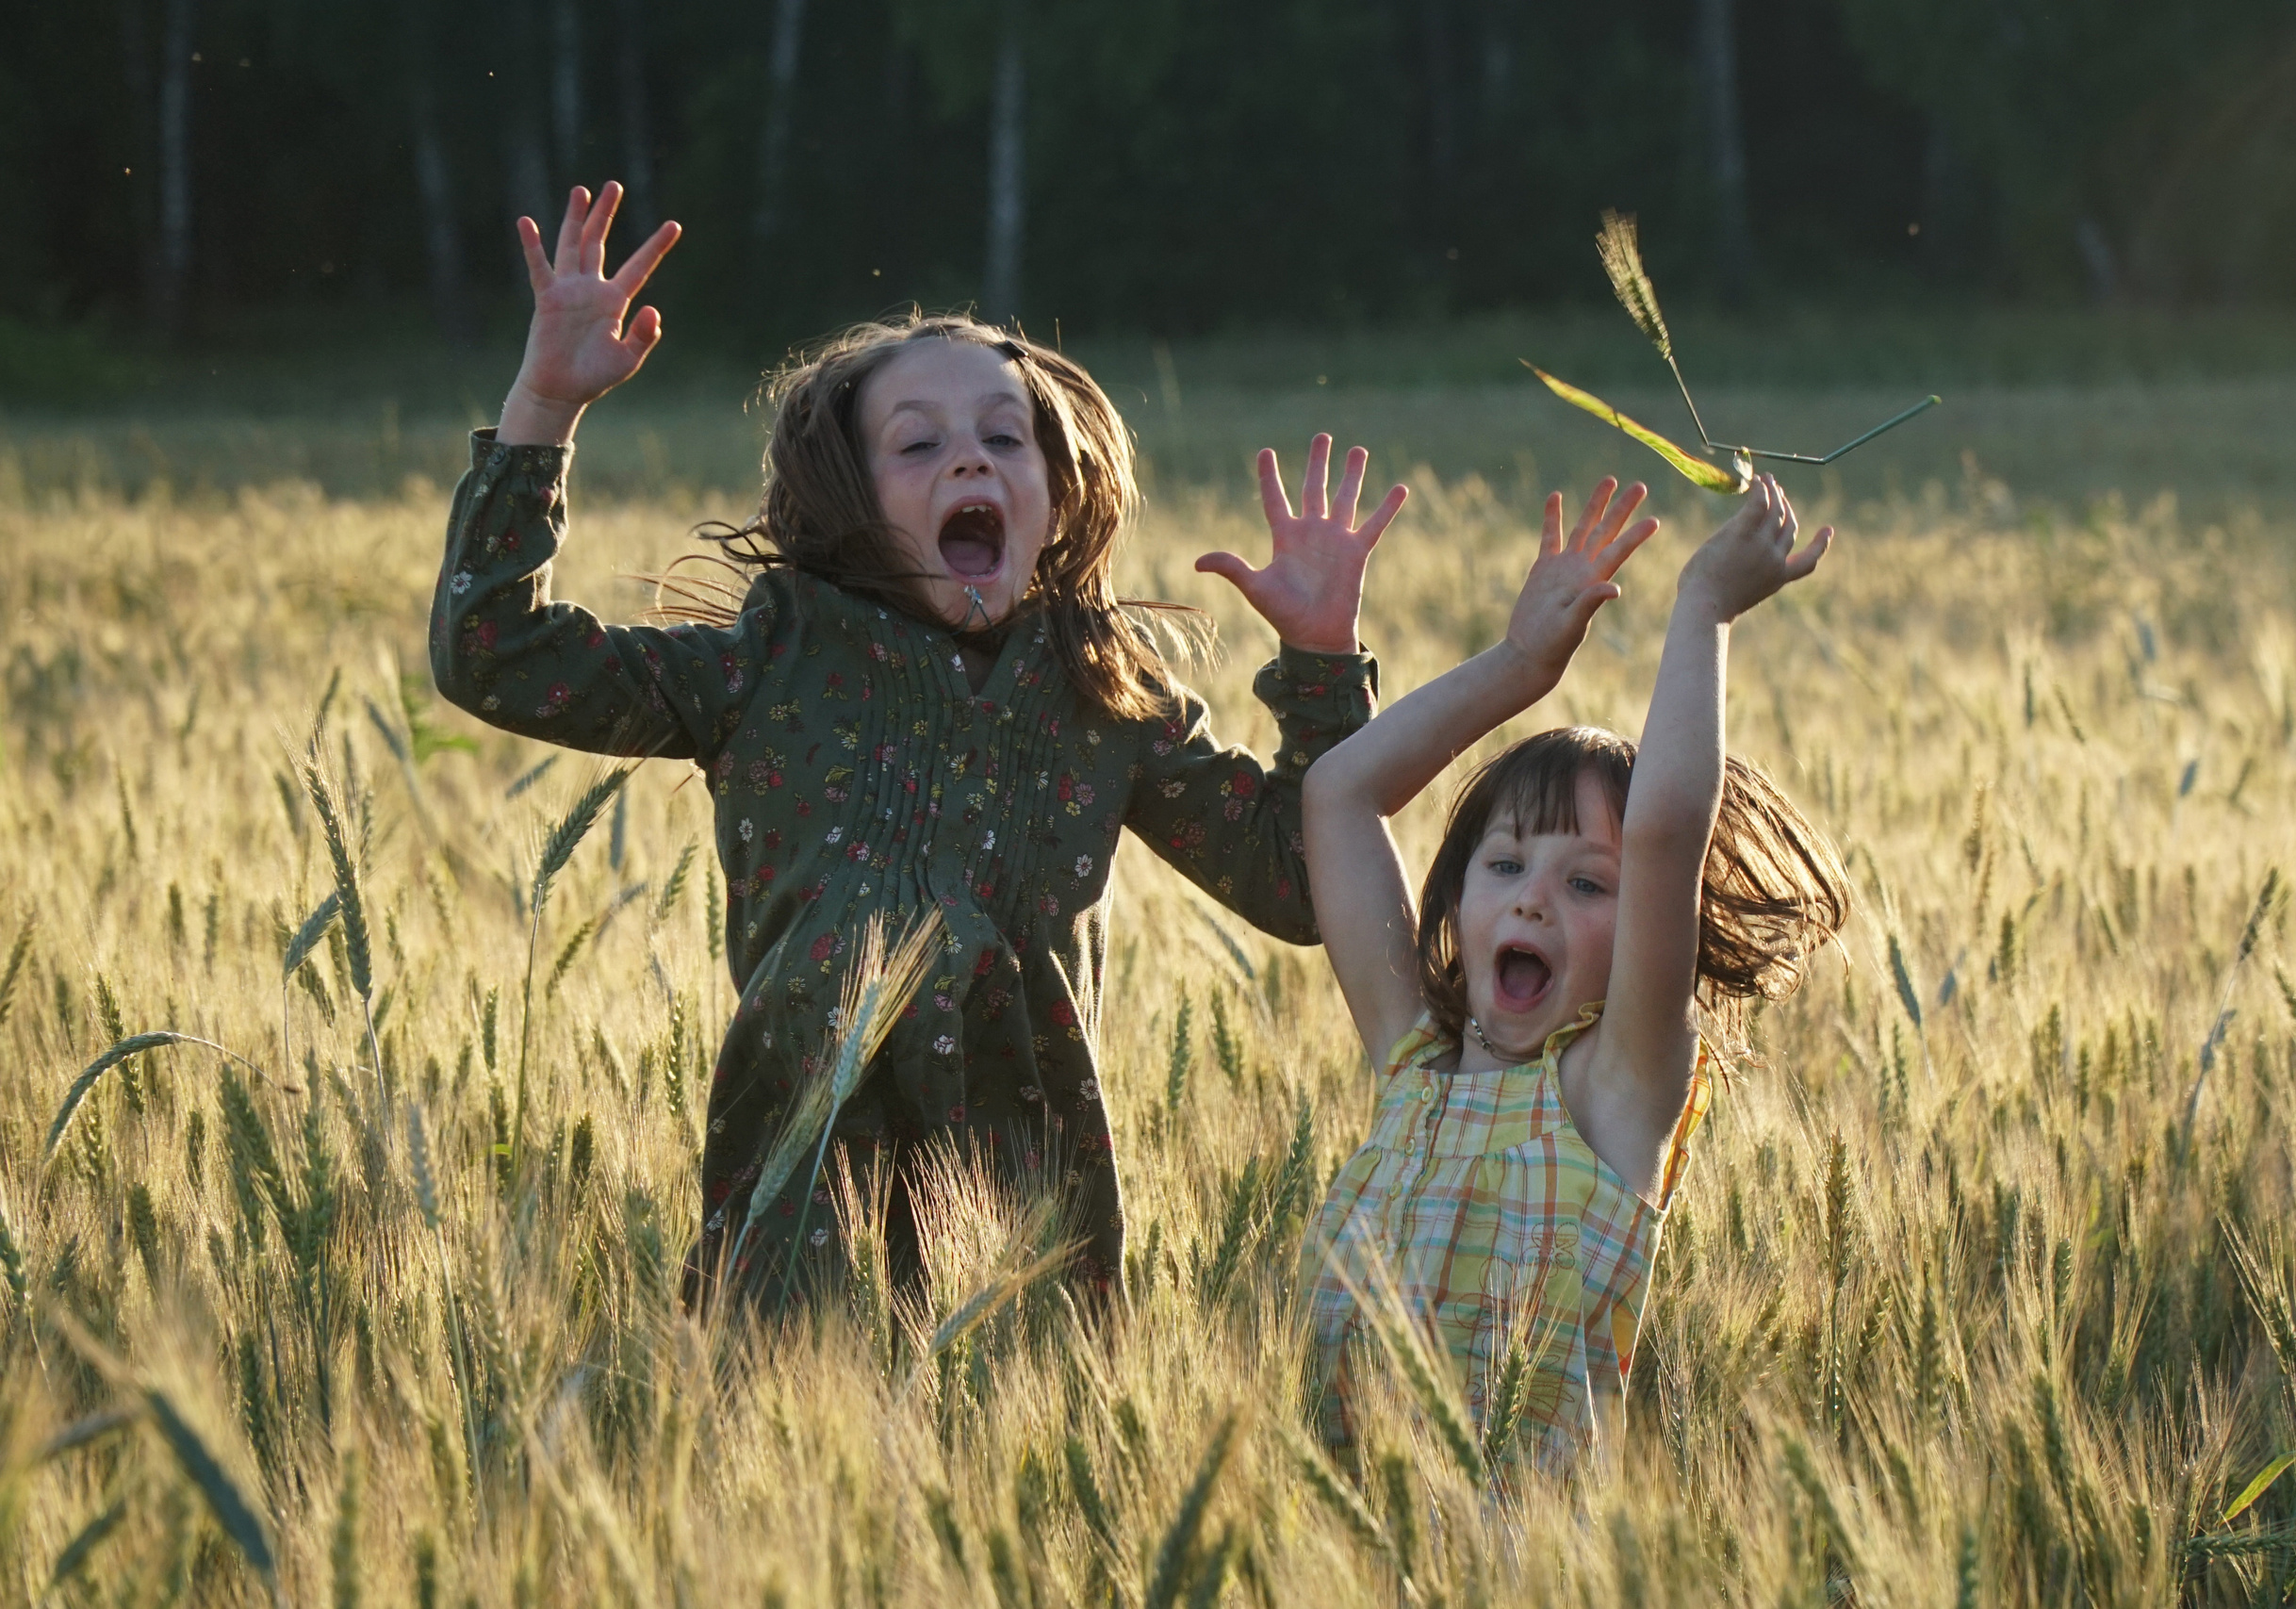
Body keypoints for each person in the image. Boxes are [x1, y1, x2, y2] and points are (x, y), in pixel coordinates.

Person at [431, 182, 1409, 1304]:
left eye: (1007, 438)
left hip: (1028, 1239)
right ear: (848, 495)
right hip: (795, 1229)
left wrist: (1324, 667)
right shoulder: (772, 658)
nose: (971, 463)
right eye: (918, 444)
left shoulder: (1103, 691)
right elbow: (497, 656)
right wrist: (541, 411)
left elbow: (1297, 882)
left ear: (1061, 486)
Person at [1299, 472, 1852, 1462]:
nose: (1531, 898)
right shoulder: (1408, 1066)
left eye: (1588, 884)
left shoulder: (1614, 1094)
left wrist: (1704, 608)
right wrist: (1517, 664)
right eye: (1504, 865)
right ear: (1457, 900)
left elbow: (1668, 832)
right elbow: (1338, 795)